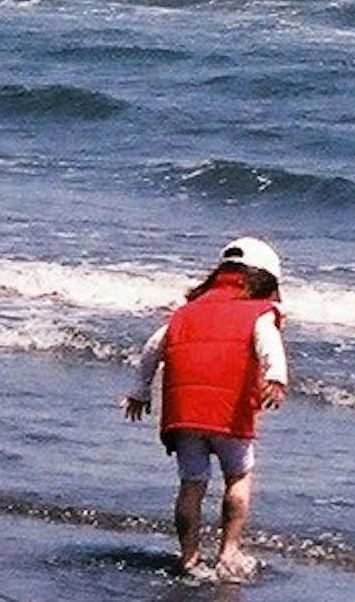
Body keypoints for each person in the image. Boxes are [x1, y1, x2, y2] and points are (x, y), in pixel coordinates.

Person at [122, 235, 288, 580]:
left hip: (185, 414)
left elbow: (152, 348)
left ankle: (188, 558)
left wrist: (140, 390)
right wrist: (276, 377)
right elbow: (268, 342)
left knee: (191, 484)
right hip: (228, 413)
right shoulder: (258, 312)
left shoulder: (184, 313)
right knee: (238, 477)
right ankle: (228, 552)